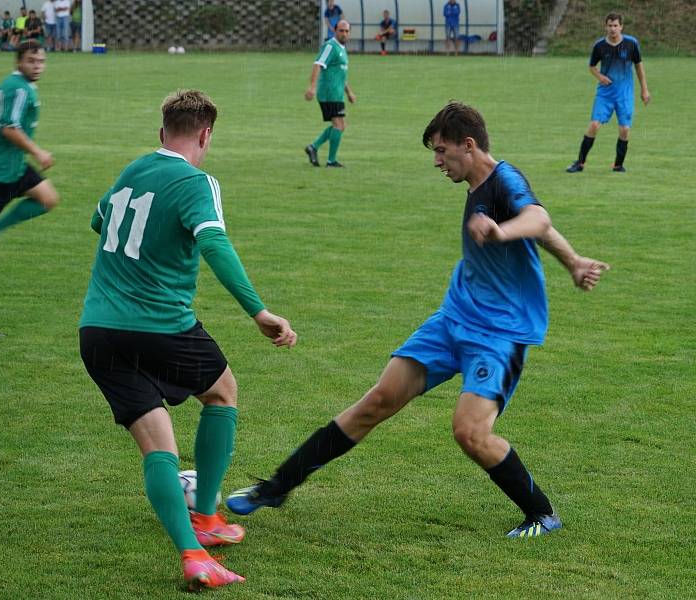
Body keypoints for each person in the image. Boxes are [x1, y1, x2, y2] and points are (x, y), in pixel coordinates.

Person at [227, 101, 610, 539]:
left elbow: (538, 218)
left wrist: (502, 232)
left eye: (442, 151)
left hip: (498, 335)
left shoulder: (504, 179)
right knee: (377, 401)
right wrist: (574, 261)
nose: (437, 161)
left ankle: (542, 513)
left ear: (469, 145)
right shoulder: (483, 184)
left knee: (470, 432)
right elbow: (542, 230)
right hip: (453, 319)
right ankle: (277, 486)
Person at [79, 89, 298, 590]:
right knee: (222, 392)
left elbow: (98, 221)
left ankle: (193, 555)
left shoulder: (132, 170)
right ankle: (206, 518)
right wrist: (258, 310)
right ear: (205, 135)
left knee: (157, 444)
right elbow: (213, 240)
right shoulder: (197, 181)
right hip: (159, 324)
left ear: (162, 133)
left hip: (96, 331)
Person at [0, 40, 59, 255]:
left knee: (48, 199)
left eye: (41, 61)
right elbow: (9, 129)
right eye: (31, 61)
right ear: (18, 62)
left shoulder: (15, 84)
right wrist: (38, 152)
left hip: (15, 163)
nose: (37, 65)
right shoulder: (19, 89)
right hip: (0, 168)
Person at [566, 12, 651, 174]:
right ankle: (580, 162)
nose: (613, 29)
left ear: (621, 27)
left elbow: (639, 66)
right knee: (594, 125)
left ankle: (618, 165)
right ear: (606, 27)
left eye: (616, 26)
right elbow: (591, 66)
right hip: (605, 93)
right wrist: (600, 76)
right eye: (610, 25)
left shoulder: (631, 44)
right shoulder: (599, 46)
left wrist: (644, 89)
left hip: (625, 93)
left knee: (625, 129)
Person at [304, 20, 356, 169]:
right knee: (339, 125)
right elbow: (318, 64)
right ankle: (331, 161)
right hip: (329, 93)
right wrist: (312, 87)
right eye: (341, 30)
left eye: (346, 31)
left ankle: (313, 147)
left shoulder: (342, 49)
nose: (344, 33)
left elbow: (341, 75)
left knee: (339, 125)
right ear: (335, 30)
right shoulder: (330, 46)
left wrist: (349, 92)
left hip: (337, 93)